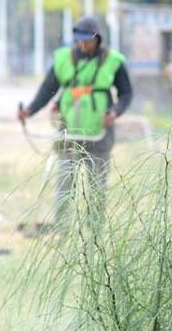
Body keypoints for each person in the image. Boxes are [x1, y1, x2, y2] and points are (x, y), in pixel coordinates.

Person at [17, 16, 133, 226]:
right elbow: (47, 89)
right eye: (79, 40)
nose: (83, 45)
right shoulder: (64, 58)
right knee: (64, 182)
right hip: (68, 132)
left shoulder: (113, 61)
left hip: (100, 135)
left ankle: (95, 229)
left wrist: (115, 112)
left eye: (87, 41)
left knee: (97, 185)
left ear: (98, 39)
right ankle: (62, 227)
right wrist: (30, 110)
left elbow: (126, 93)